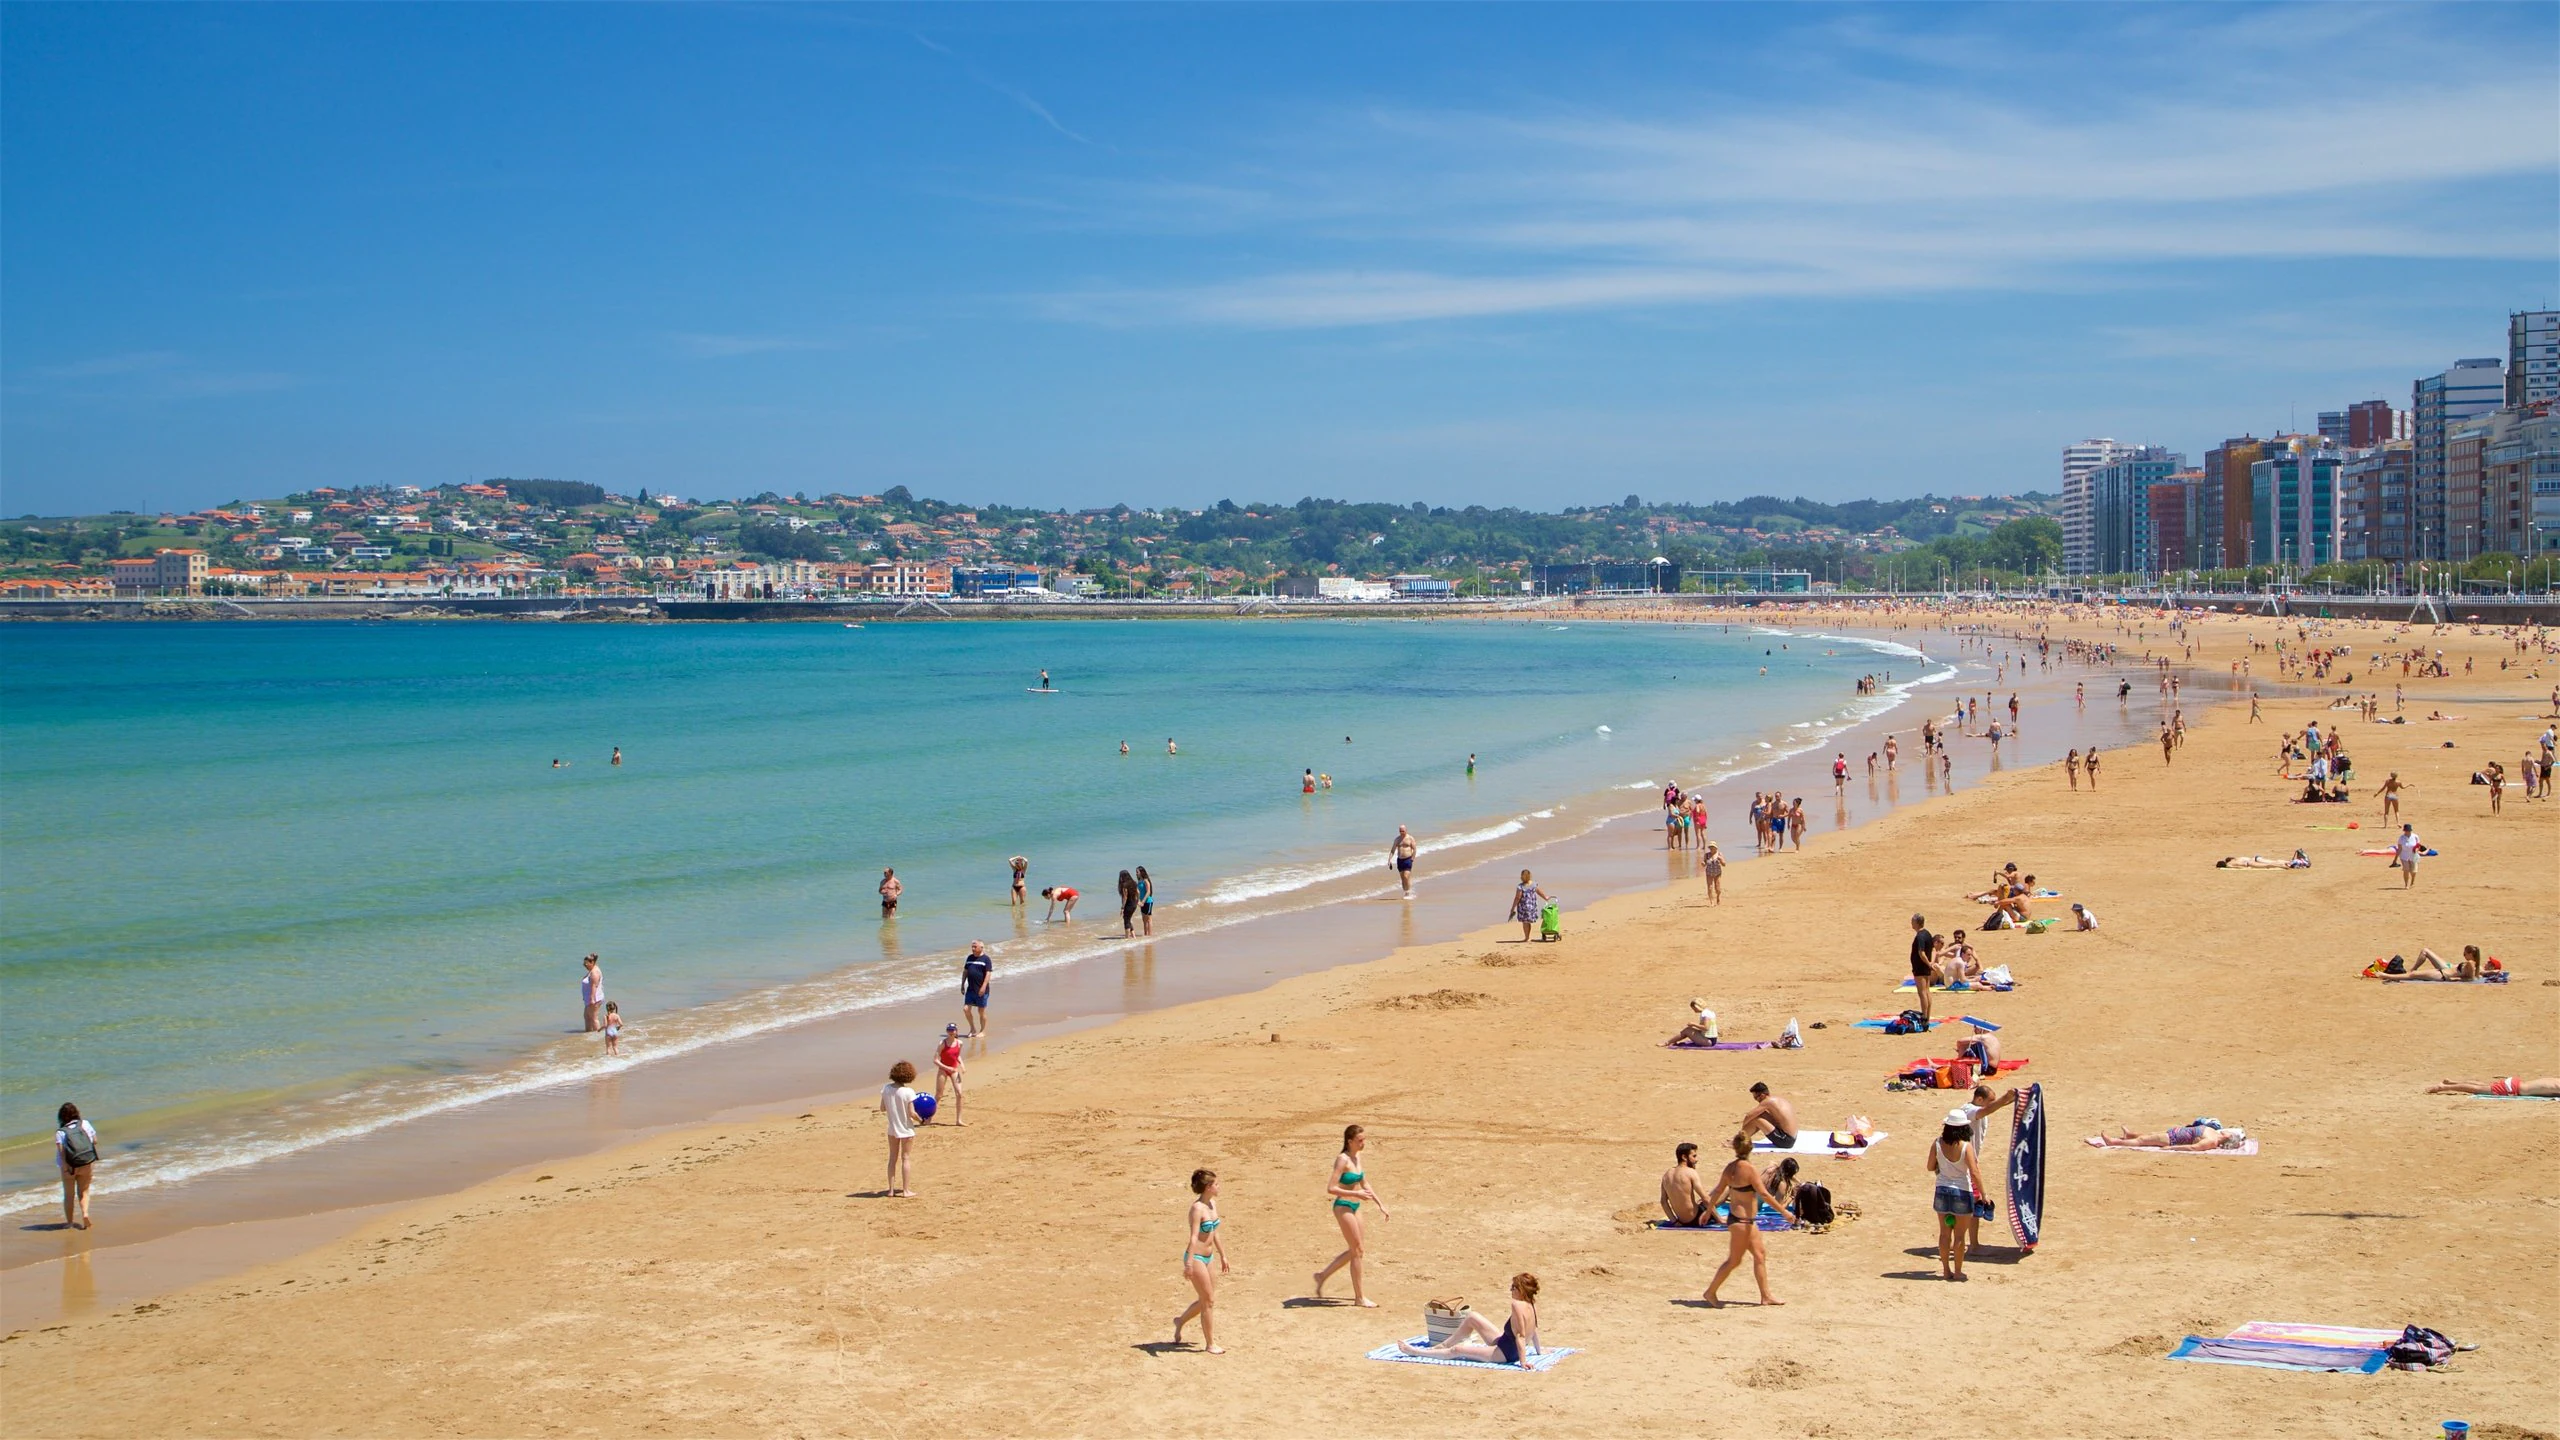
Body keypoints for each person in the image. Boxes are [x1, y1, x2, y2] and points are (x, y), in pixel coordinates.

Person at [1701, 1134, 1783, 1307]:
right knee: (1734, 1260)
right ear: (1750, 1148)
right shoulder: (1749, 1169)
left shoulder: (1730, 1168)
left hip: (1741, 1220)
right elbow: (1765, 1194)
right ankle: (1710, 1292)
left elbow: (1717, 1191)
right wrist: (1784, 1212)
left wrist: (1708, 1211)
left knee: (1760, 1255)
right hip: (1742, 1222)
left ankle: (1766, 1296)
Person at [1314, 1124, 1389, 1306]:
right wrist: (1356, 1194)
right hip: (1343, 1206)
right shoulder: (1343, 1159)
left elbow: (1364, 1183)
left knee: (1357, 1249)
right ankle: (1359, 1298)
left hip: (1356, 1206)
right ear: (1350, 1141)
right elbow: (1331, 1188)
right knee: (1357, 1250)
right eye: (1360, 1140)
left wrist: (1380, 1204)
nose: (1363, 1143)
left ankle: (1322, 1275)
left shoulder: (1357, 1157)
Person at [1399, 1273, 1542, 1367]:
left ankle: (1416, 1352)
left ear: (1521, 1290)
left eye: (1513, 1288)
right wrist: (1539, 1351)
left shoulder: (1516, 1305)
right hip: (1505, 1344)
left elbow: (1521, 1336)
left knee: (1457, 1350)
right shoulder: (1532, 1304)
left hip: (1504, 1354)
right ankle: (1444, 1345)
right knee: (1472, 1317)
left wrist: (1523, 1362)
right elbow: (1533, 1330)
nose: (1511, 1290)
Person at [1926, 1109, 1985, 1280]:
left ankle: (1946, 1270)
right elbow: (1974, 1172)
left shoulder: (1937, 1143)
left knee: (1944, 1233)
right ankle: (1958, 1272)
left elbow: (1930, 1167)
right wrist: (1983, 1193)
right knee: (1960, 1236)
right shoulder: (1966, 1147)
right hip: (1962, 1192)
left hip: (1942, 1190)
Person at [1174, 1168, 1228, 1354]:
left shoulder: (1212, 1204)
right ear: (1207, 1187)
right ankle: (1210, 1344)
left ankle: (1180, 1321)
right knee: (1208, 1301)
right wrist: (1188, 1264)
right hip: (1196, 1257)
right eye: (1215, 1184)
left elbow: (1215, 1233)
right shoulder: (1197, 1209)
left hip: (1209, 1257)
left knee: (1206, 1299)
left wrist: (1223, 1255)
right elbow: (1194, 1237)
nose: (1218, 1186)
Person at [880, 1061, 921, 1197]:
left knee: (892, 1158)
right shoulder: (908, 1092)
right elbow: (912, 1113)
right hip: (906, 1129)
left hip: (892, 1129)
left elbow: (882, 1108)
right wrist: (921, 1120)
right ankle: (906, 1190)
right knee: (906, 1158)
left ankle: (891, 1190)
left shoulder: (886, 1089)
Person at [55, 1102, 97, 1231]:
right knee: (84, 1191)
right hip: (86, 1162)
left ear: (61, 1117)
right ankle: (85, 1214)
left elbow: (62, 1153)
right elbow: (95, 1141)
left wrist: (66, 1167)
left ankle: (69, 1222)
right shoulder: (85, 1124)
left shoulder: (60, 1132)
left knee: (69, 1195)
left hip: (69, 1167)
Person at [2087, 1122, 2247, 1151]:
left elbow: (2192, 1147)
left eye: (2231, 1133)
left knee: (2143, 1141)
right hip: (2174, 1134)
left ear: (2227, 1138)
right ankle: (2129, 1135)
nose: (2230, 1130)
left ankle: (2112, 1142)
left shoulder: (2212, 1141)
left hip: (2174, 1139)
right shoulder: (2216, 1134)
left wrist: (2171, 1147)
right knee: (2150, 1136)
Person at [1660, 1142, 1714, 1225]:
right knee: (1727, 1188)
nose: (1696, 1160)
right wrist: (1720, 1220)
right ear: (1684, 1157)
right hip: (1696, 1218)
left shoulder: (1666, 1175)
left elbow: (1663, 1202)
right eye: (1694, 1156)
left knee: (1703, 1200)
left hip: (1681, 1221)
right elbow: (1705, 1199)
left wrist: (1674, 1221)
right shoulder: (1690, 1172)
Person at [1739, 1082, 1797, 1150]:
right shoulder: (1777, 1100)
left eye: (1756, 1098)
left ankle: (1739, 1141)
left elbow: (1749, 1116)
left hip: (1785, 1140)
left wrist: (1742, 1130)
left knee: (1757, 1120)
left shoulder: (1768, 1102)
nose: (1756, 1100)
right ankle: (1742, 1139)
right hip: (1790, 1138)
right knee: (1761, 1114)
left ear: (1762, 1095)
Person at [930, 1022, 968, 1124]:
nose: (951, 1032)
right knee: (939, 1094)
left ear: (956, 1031)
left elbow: (957, 1056)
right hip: (943, 1069)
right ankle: (929, 1118)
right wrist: (947, 1068)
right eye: (949, 1030)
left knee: (959, 1093)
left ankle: (958, 1120)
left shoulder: (960, 1043)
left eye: (953, 1030)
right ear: (947, 1031)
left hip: (954, 1069)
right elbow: (935, 1060)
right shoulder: (942, 1043)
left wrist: (962, 1065)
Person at [1907, 914, 1941, 1025]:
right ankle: (1927, 1017)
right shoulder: (1927, 933)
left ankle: (1924, 1018)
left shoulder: (1920, 936)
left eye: (1912, 921)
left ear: (1917, 923)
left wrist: (1929, 964)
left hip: (1920, 967)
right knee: (1926, 992)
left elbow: (1921, 953)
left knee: (1922, 993)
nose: (1911, 923)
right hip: (1924, 967)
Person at [1506, 870, 1547, 943]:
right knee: (1528, 922)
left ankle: (1527, 937)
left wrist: (1513, 908)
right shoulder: (1534, 884)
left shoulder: (1520, 886)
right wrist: (1546, 897)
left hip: (1524, 907)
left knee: (1525, 922)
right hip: (1532, 906)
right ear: (1530, 876)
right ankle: (1527, 936)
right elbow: (1539, 892)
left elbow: (1517, 897)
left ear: (1521, 877)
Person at [961, 942, 993, 1034]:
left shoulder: (986, 959)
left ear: (981, 947)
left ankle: (982, 1031)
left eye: (975, 947)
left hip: (982, 990)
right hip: (970, 989)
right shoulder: (970, 958)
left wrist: (983, 987)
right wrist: (962, 984)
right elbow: (965, 971)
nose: (973, 949)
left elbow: (988, 974)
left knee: (981, 1011)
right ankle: (972, 1028)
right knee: (966, 1009)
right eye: (972, 947)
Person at [2427, 1076, 2560, 1097]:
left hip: (2515, 1084)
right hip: (2513, 1089)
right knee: (2478, 1090)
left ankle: (2451, 1083)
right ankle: (2443, 1087)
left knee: (2484, 1087)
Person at [1388, 825, 1419, 897]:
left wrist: (1413, 858)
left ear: (1406, 830)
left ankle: (1408, 892)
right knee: (1402, 878)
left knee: (1406, 876)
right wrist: (1389, 860)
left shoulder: (1410, 838)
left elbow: (1414, 849)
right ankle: (1406, 891)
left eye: (1403, 831)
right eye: (1400, 831)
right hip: (1400, 860)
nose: (1401, 832)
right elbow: (1392, 850)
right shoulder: (1397, 839)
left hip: (1408, 859)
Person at [2392, 823, 2423, 888]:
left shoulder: (2415, 836)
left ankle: (2412, 881)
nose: (2407, 832)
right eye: (2406, 831)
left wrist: (2416, 850)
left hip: (2414, 855)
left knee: (2413, 871)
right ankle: (2406, 884)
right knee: (2406, 870)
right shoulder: (2401, 838)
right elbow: (2399, 849)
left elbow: (2418, 845)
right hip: (2404, 856)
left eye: (2408, 831)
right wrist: (2395, 859)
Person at [581, 954, 605, 1033]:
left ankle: (598, 1035)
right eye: (584, 963)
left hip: (594, 998)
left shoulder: (594, 972)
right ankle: (588, 1033)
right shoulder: (592, 970)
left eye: (586, 963)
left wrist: (592, 999)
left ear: (592, 962)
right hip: (590, 998)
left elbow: (594, 986)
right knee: (587, 1016)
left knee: (593, 1018)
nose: (585, 965)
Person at [1117, 869, 1141, 936]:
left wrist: (1122, 908)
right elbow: (1138, 892)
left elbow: (1125, 897)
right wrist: (1137, 901)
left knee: (1126, 920)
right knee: (1128, 919)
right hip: (1134, 904)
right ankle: (1133, 936)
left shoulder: (1125, 885)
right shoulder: (1134, 883)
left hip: (1129, 905)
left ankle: (1127, 938)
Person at [1136, 866, 1156, 936]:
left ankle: (1150, 935)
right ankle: (1145, 934)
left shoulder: (1146, 881)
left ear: (1141, 872)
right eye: (1136, 872)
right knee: (1144, 920)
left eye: (1137, 872)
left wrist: (1143, 901)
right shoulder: (1139, 881)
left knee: (1148, 919)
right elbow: (1138, 892)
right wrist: (1138, 901)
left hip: (1148, 902)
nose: (1136, 873)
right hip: (1141, 902)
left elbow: (1148, 892)